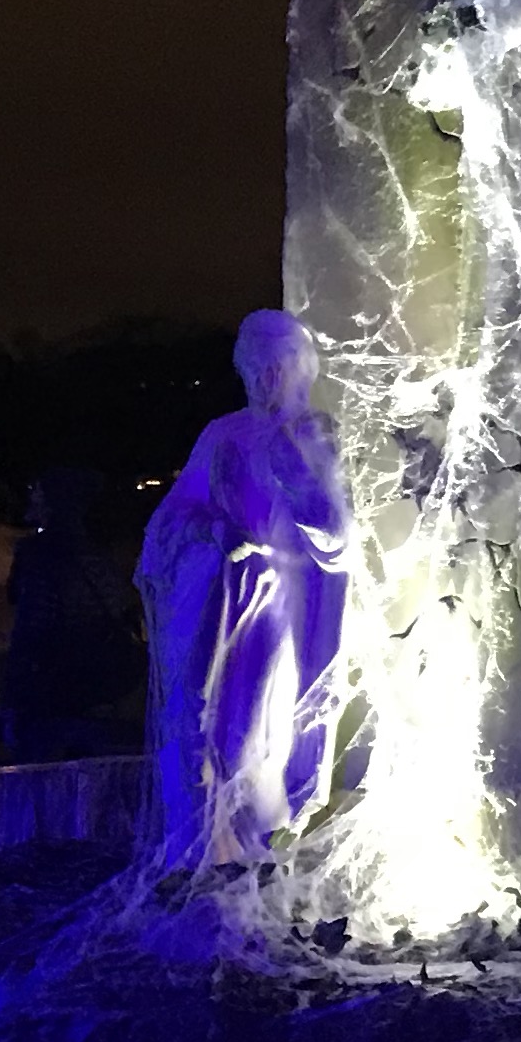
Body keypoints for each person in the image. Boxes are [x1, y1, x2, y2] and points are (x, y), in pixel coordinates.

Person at [143, 309, 350, 869]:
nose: (265, 379)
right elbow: (173, 517)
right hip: (220, 600)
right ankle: (208, 848)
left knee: (255, 728)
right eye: (255, 367)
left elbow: (338, 537)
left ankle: (256, 847)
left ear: (299, 367)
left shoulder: (316, 434)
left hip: (281, 606)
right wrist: (214, 532)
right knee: (200, 721)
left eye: (275, 365)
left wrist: (299, 485)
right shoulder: (224, 434)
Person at [2, 467, 144, 759]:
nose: (31, 496)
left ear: (54, 501)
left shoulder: (39, 555)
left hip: (51, 698)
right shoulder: (101, 554)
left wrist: (14, 699)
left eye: (38, 491)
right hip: (102, 692)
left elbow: (32, 628)